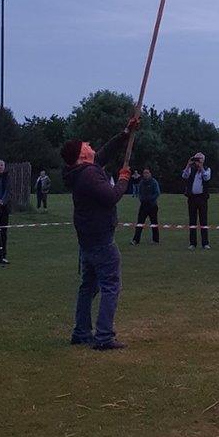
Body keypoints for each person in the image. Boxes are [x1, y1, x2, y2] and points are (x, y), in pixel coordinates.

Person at [61, 114, 138, 350]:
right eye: (88, 146)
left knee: (88, 286)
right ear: (83, 155)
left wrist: (126, 133)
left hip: (87, 239)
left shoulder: (80, 172)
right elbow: (110, 198)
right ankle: (104, 336)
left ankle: (81, 332)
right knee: (110, 285)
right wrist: (123, 181)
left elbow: (103, 153)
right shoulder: (89, 174)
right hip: (101, 239)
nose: (92, 147)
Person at [182, 152, 212, 249]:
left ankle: (205, 243)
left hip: (202, 198)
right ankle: (192, 243)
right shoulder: (191, 169)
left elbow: (206, 177)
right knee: (192, 221)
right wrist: (188, 165)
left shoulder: (207, 169)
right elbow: (184, 176)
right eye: (196, 159)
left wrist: (201, 168)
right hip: (192, 198)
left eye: (199, 159)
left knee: (203, 221)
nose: (197, 161)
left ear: (203, 160)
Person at [131, 167, 161, 245]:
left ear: (150, 174)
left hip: (152, 206)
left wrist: (150, 199)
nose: (146, 174)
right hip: (143, 206)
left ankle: (155, 240)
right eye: (144, 173)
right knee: (139, 223)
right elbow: (139, 193)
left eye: (147, 173)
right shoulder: (141, 183)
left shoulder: (154, 182)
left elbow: (157, 193)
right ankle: (136, 240)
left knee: (154, 223)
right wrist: (142, 199)